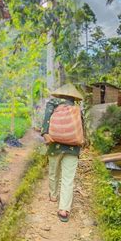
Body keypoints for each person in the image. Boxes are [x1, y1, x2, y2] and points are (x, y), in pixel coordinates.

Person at [40, 83, 84, 222]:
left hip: (55, 146)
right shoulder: (77, 109)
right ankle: (63, 209)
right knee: (68, 179)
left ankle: (53, 195)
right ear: (74, 97)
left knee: (53, 172)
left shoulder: (52, 103)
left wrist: (45, 133)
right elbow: (82, 128)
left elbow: (46, 118)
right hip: (73, 148)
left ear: (60, 94)